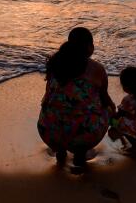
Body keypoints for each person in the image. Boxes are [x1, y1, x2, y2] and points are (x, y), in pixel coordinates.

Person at [37, 27, 115, 167]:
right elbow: (105, 100)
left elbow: (48, 97)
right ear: (89, 47)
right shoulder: (96, 69)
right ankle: (79, 155)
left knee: (58, 107)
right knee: (108, 108)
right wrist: (113, 113)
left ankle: (60, 153)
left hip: (48, 131)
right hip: (82, 137)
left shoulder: (55, 64)